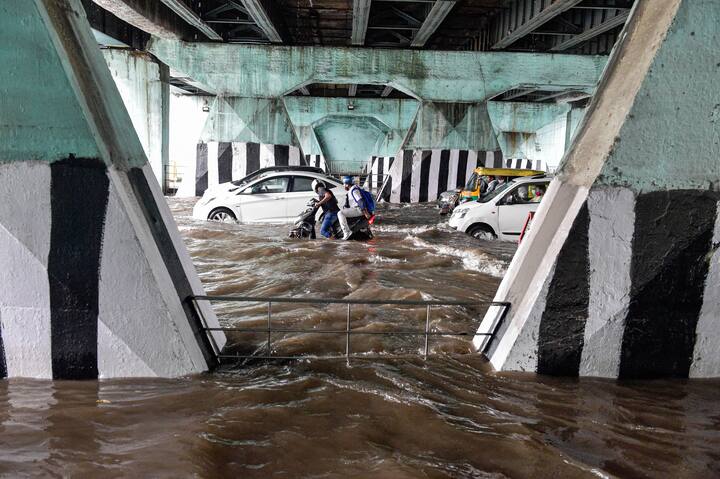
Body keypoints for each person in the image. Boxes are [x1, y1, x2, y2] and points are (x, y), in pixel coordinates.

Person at [337, 175, 371, 240]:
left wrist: (365, 212)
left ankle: (347, 232)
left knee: (340, 213)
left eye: (344, 184)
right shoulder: (354, 189)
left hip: (359, 209)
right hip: (357, 209)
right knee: (343, 211)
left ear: (347, 184)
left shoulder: (354, 190)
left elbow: (360, 201)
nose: (343, 185)